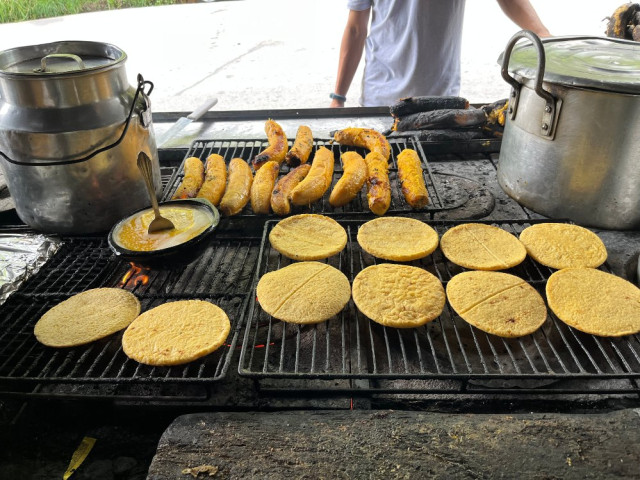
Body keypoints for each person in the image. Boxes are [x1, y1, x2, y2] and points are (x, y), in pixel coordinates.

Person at [329, 0, 551, 107]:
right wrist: (338, 97)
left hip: (441, 99)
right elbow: (356, 29)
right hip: (380, 99)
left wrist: (543, 34)